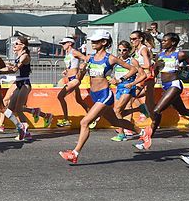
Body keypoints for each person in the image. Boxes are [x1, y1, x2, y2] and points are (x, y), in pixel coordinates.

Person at [59, 30, 149, 165]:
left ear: (104, 42)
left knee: (84, 122)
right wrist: (82, 70)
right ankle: (143, 132)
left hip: (105, 95)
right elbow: (80, 77)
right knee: (116, 122)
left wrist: (120, 79)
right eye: (92, 41)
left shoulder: (111, 58)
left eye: (96, 41)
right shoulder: (90, 58)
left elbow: (133, 69)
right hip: (95, 95)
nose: (93, 43)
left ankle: (75, 153)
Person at [135, 32, 189, 151]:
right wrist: (152, 75)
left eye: (165, 40)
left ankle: (148, 136)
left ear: (172, 42)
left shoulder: (180, 54)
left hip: (175, 85)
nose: (162, 42)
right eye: (162, 40)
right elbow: (156, 70)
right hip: (165, 86)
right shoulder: (160, 55)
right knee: (183, 111)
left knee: (157, 110)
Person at [109, 40, 143, 141]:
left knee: (117, 110)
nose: (122, 52)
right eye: (119, 50)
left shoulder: (132, 61)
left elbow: (143, 75)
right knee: (119, 111)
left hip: (128, 88)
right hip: (119, 88)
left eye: (124, 50)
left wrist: (132, 84)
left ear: (128, 50)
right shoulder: (117, 60)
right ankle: (140, 109)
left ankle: (121, 133)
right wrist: (112, 80)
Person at [55, 37, 89, 127]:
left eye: (64, 43)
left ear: (69, 43)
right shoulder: (68, 53)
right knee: (79, 100)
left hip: (74, 79)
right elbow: (71, 66)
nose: (62, 45)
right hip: (70, 78)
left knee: (60, 96)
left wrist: (83, 66)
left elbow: (86, 58)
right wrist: (66, 71)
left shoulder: (74, 52)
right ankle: (92, 116)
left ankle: (66, 119)